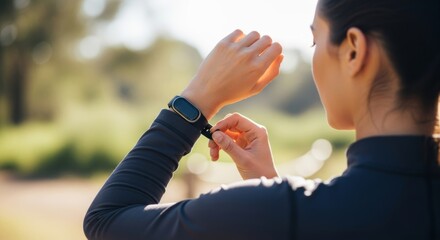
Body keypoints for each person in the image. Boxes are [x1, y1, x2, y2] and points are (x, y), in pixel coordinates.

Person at [83, 0, 440, 239]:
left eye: (315, 40)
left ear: (353, 51)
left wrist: (197, 99)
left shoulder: (276, 211)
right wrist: (270, 187)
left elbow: (106, 221)